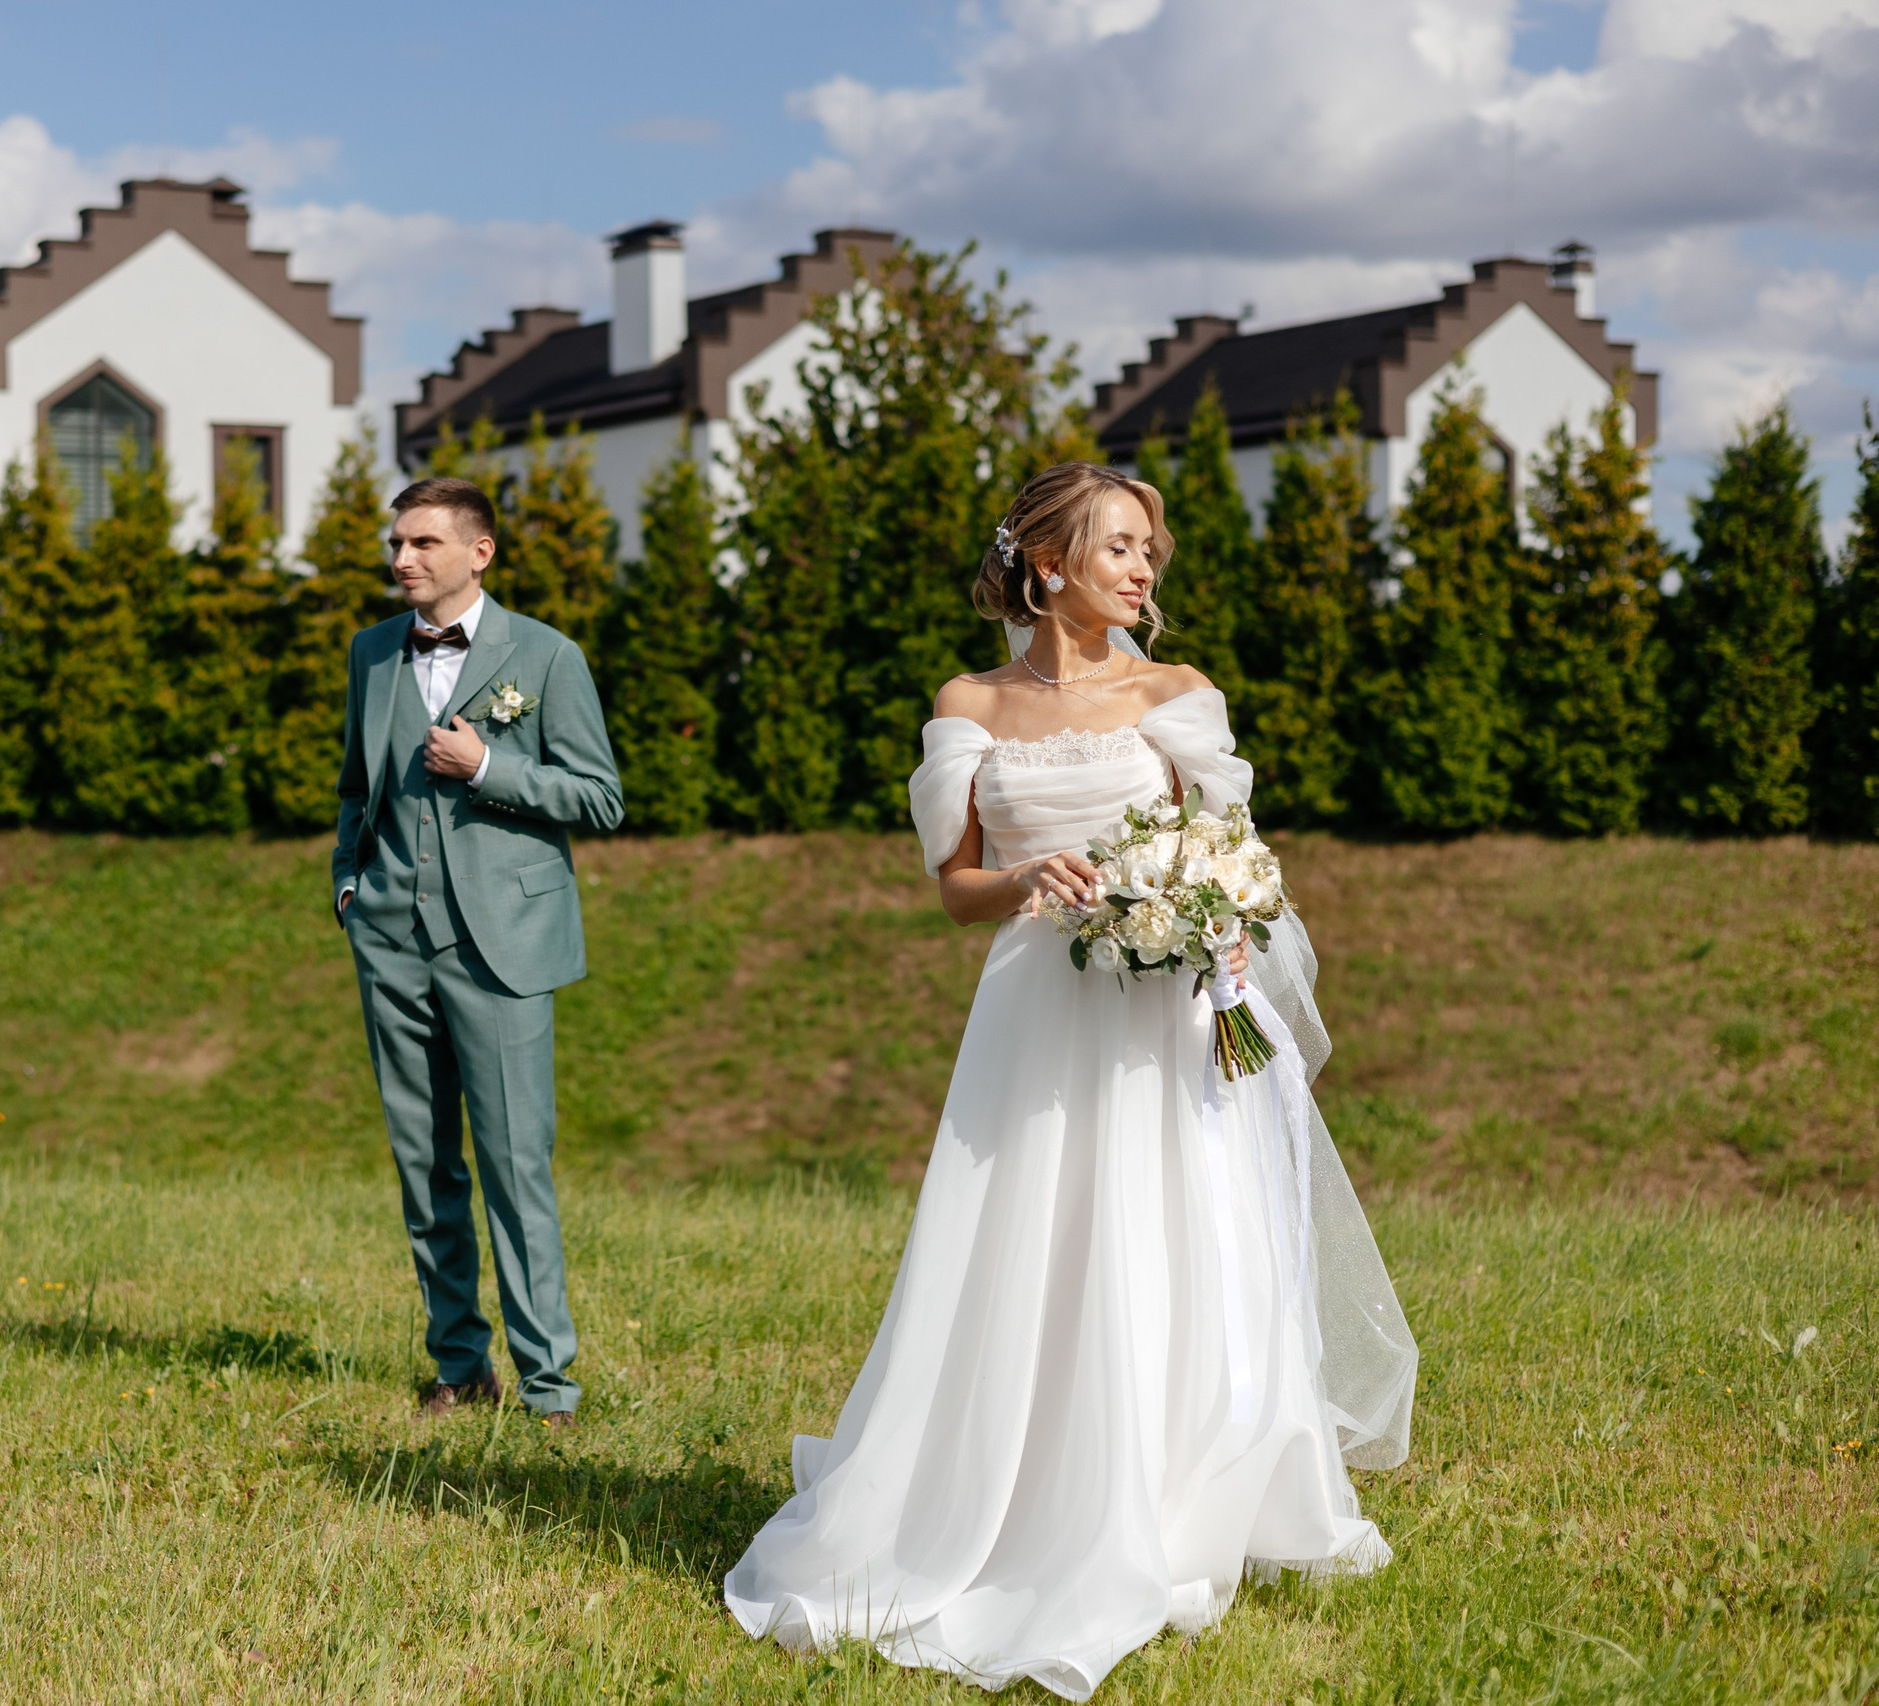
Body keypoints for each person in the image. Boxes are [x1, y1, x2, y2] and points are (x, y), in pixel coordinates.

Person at [724, 462, 1419, 1697]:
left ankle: (1179, 1495)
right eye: (1118, 547)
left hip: (1168, 1009)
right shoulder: (970, 704)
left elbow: (1231, 851)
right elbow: (955, 887)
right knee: (1028, 1238)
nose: (1143, 568)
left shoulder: (1176, 694)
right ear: (1046, 564)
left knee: (1176, 1235)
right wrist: (1025, 880)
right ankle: (1007, 1491)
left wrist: (1226, 918)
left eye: (1149, 549)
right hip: (1036, 1005)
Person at [331, 476, 624, 1429]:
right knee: (424, 1164)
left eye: (423, 543)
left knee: (513, 1164)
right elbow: (355, 787)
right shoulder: (372, 652)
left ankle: (549, 1386)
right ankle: (459, 1365)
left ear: (479, 552)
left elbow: (599, 797)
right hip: (390, 940)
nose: (402, 558)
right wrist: (349, 885)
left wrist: (489, 765)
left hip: (501, 946)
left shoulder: (546, 655)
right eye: (397, 543)